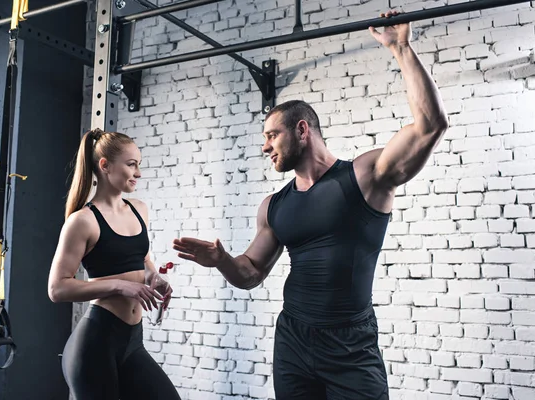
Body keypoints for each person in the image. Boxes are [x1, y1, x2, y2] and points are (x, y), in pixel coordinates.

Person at [173, 11, 448, 400]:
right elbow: (250, 273)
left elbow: (430, 127)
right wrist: (221, 259)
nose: (264, 146)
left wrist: (401, 49)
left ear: (302, 129)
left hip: (351, 346)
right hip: (293, 343)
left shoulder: (364, 177)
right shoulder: (274, 205)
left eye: (272, 135)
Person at [48, 128, 181, 400]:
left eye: (139, 165)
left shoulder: (139, 209)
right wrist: (121, 286)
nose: (138, 173)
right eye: (131, 165)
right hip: (96, 344)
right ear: (105, 166)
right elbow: (57, 289)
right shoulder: (82, 221)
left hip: (133, 341)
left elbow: (142, 260)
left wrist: (154, 278)